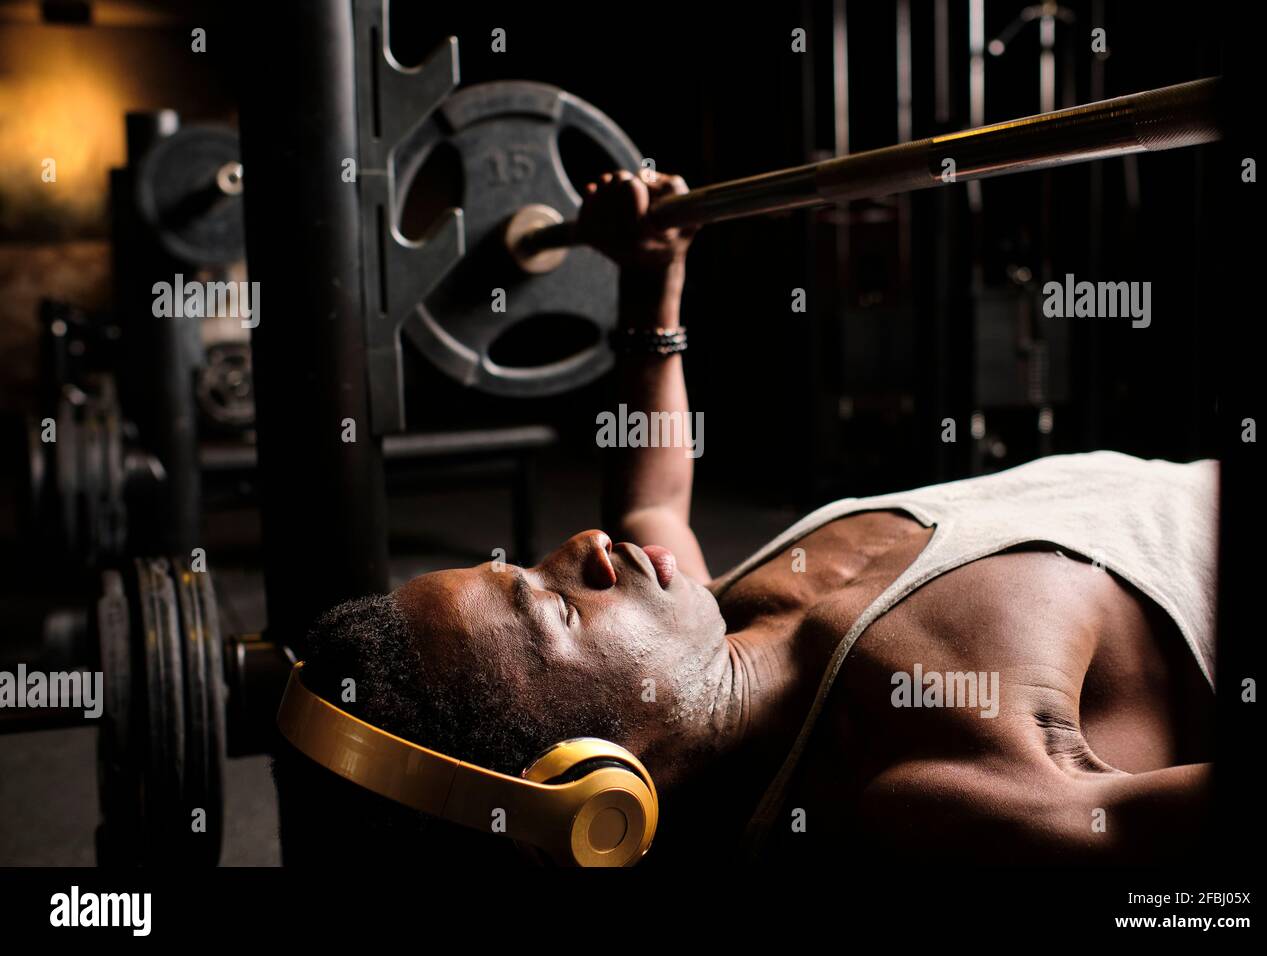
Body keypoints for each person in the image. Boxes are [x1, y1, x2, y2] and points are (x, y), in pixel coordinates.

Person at [275, 169, 1217, 866]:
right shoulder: (922, 788)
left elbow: (649, 499)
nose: (584, 550)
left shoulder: (739, 618)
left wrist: (651, 283)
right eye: (557, 609)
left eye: (529, 563)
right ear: (587, 782)